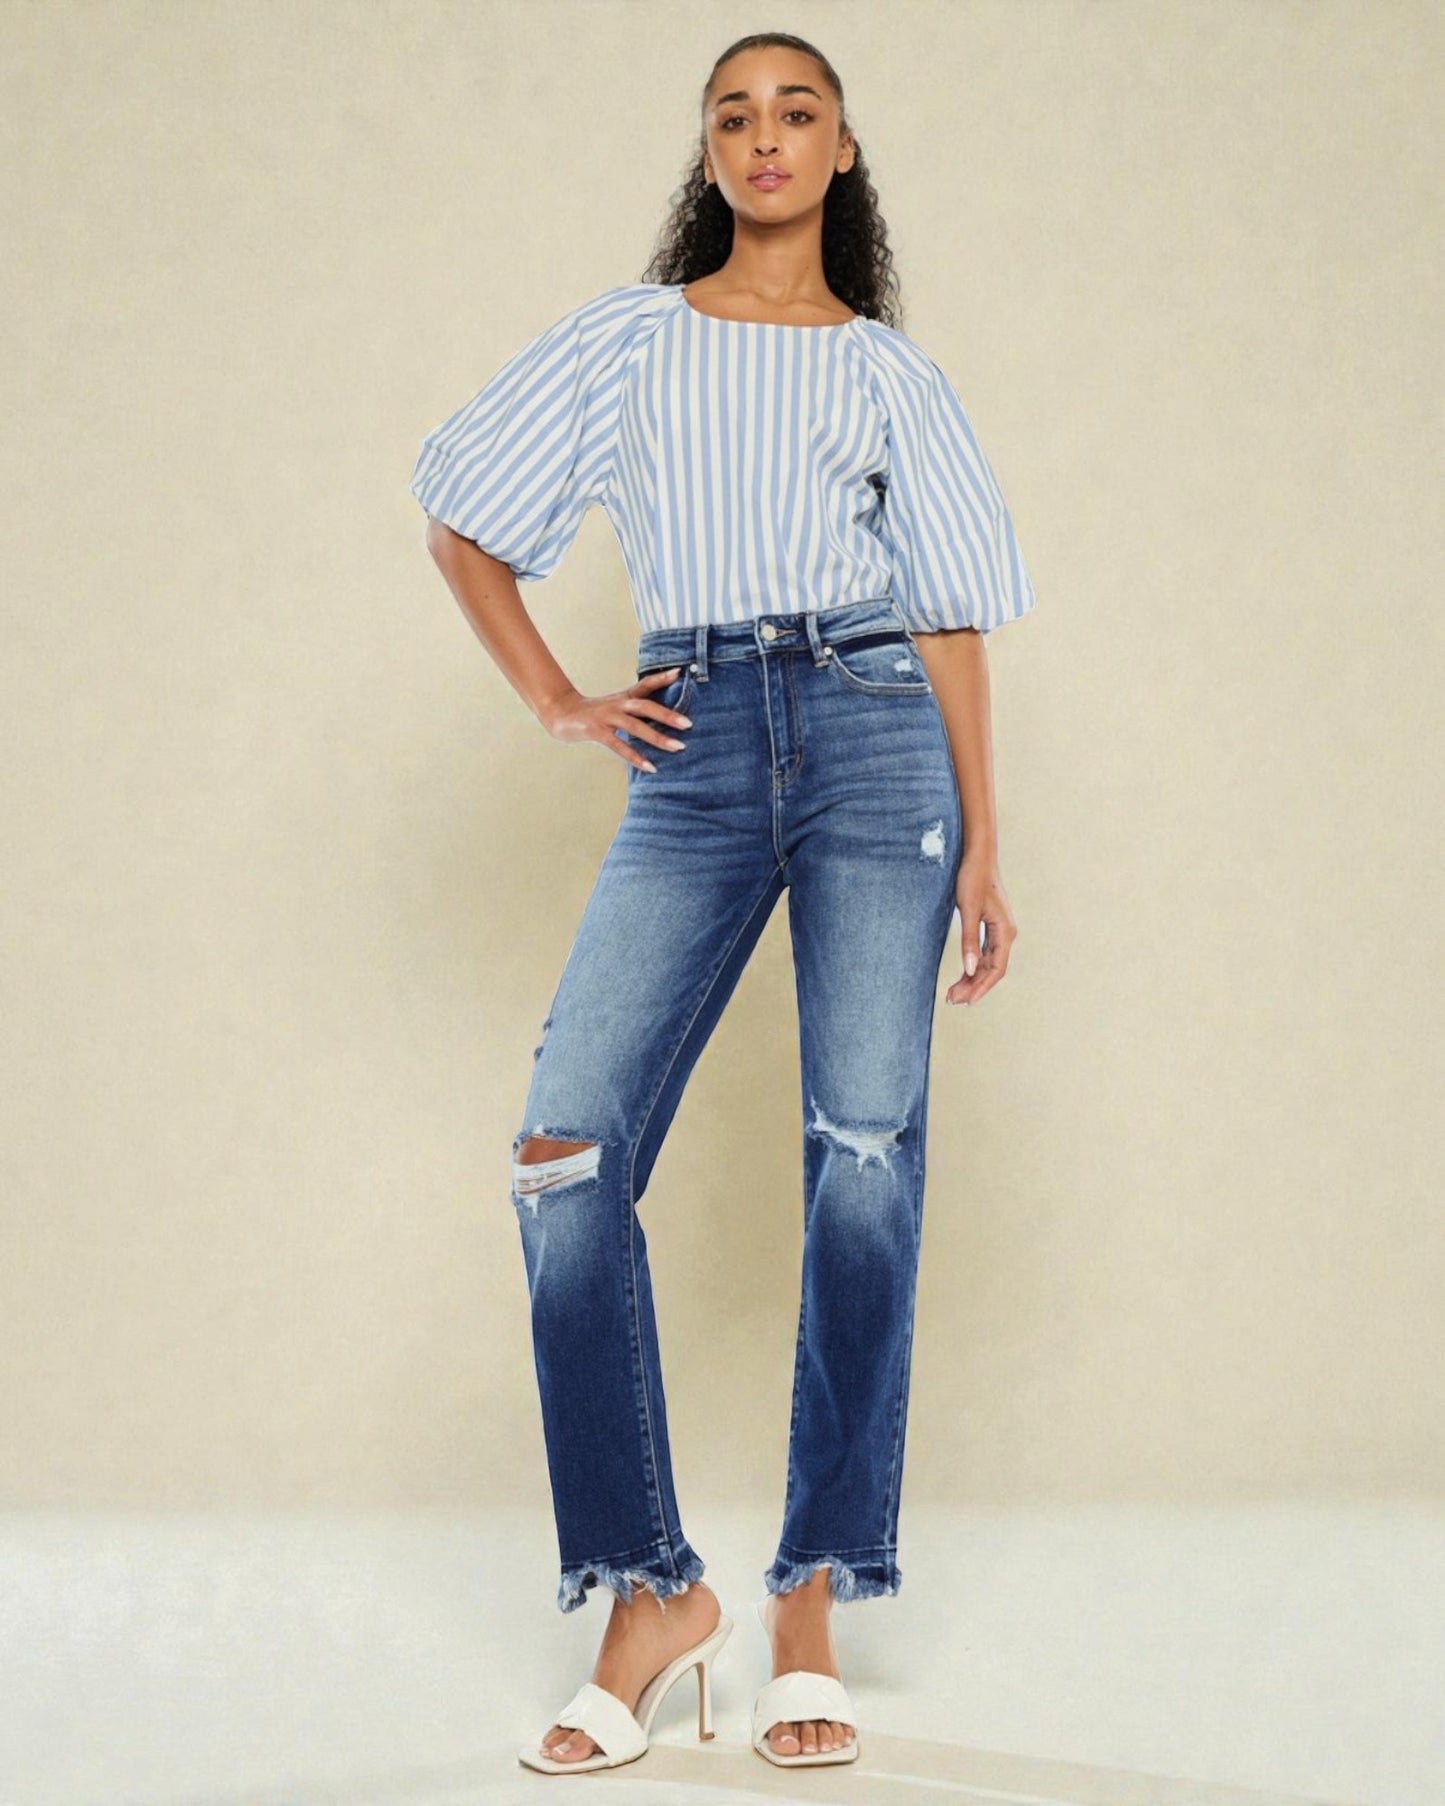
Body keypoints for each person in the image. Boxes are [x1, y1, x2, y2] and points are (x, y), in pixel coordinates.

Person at [410, 29, 1036, 1778]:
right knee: (564, 1152)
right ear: (710, 155)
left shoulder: (889, 375)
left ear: (841, 151)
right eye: (734, 116)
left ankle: (809, 1597)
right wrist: (556, 696)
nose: (765, 138)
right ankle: (649, 1590)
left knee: (864, 1155)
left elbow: (948, 610)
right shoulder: (629, 339)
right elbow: (461, 512)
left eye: (796, 112)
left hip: (875, 736)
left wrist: (987, 844)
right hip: (690, 739)